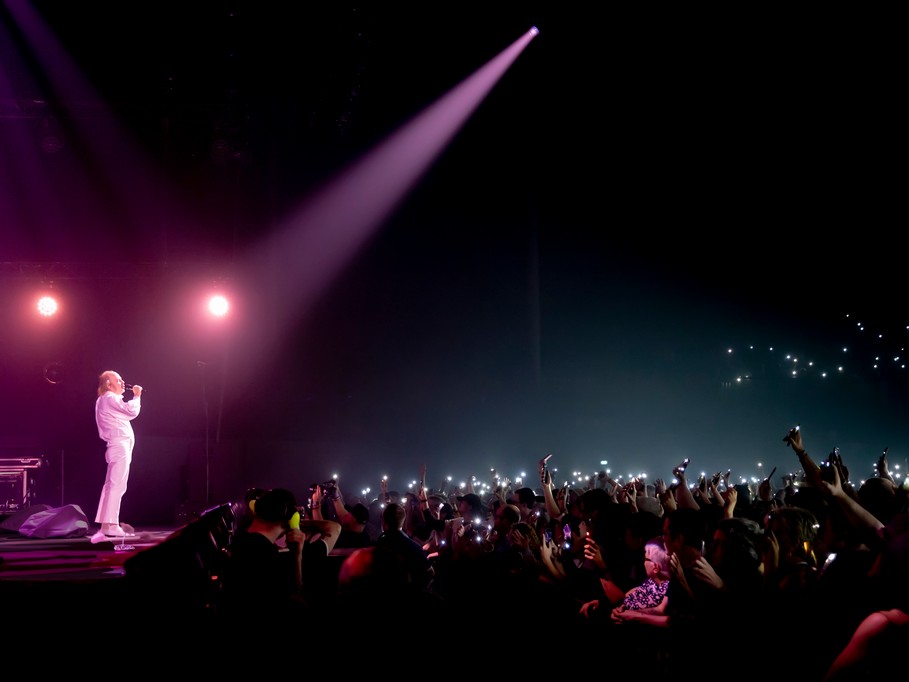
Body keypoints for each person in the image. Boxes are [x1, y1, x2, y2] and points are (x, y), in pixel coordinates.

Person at [89, 370, 142, 544]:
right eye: (118, 380)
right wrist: (136, 396)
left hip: (118, 445)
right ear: (108, 384)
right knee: (117, 484)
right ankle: (111, 525)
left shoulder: (106, 400)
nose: (122, 382)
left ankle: (106, 525)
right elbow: (131, 411)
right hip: (119, 445)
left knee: (112, 484)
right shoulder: (110, 398)